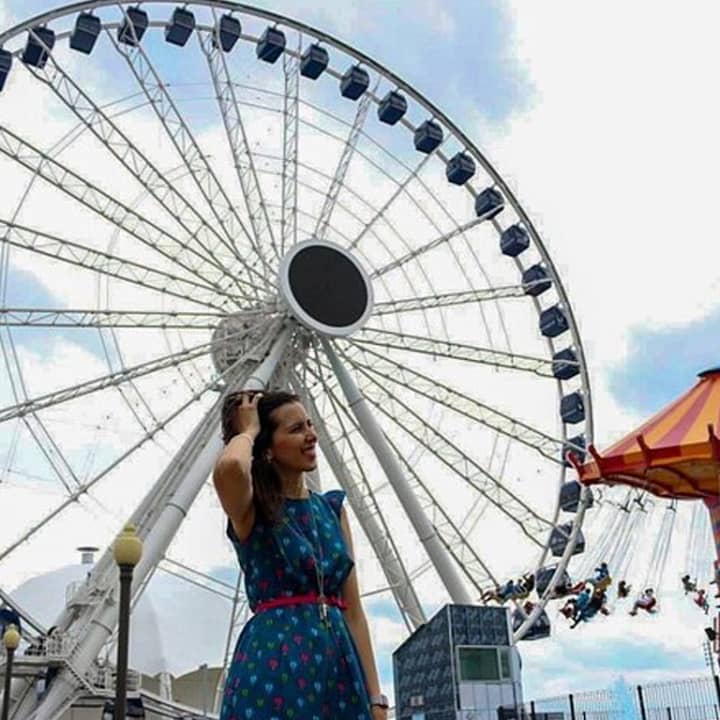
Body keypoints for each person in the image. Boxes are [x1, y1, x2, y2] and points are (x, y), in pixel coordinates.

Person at [213, 390, 389, 720]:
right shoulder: (251, 510)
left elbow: (354, 612)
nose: (312, 435)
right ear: (267, 449)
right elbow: (231, 466)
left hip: (338, 667)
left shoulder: (333, 511)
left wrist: (376, 697)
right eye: (296, 429)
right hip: (272, 663)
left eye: (309, 424)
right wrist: (247, 432)